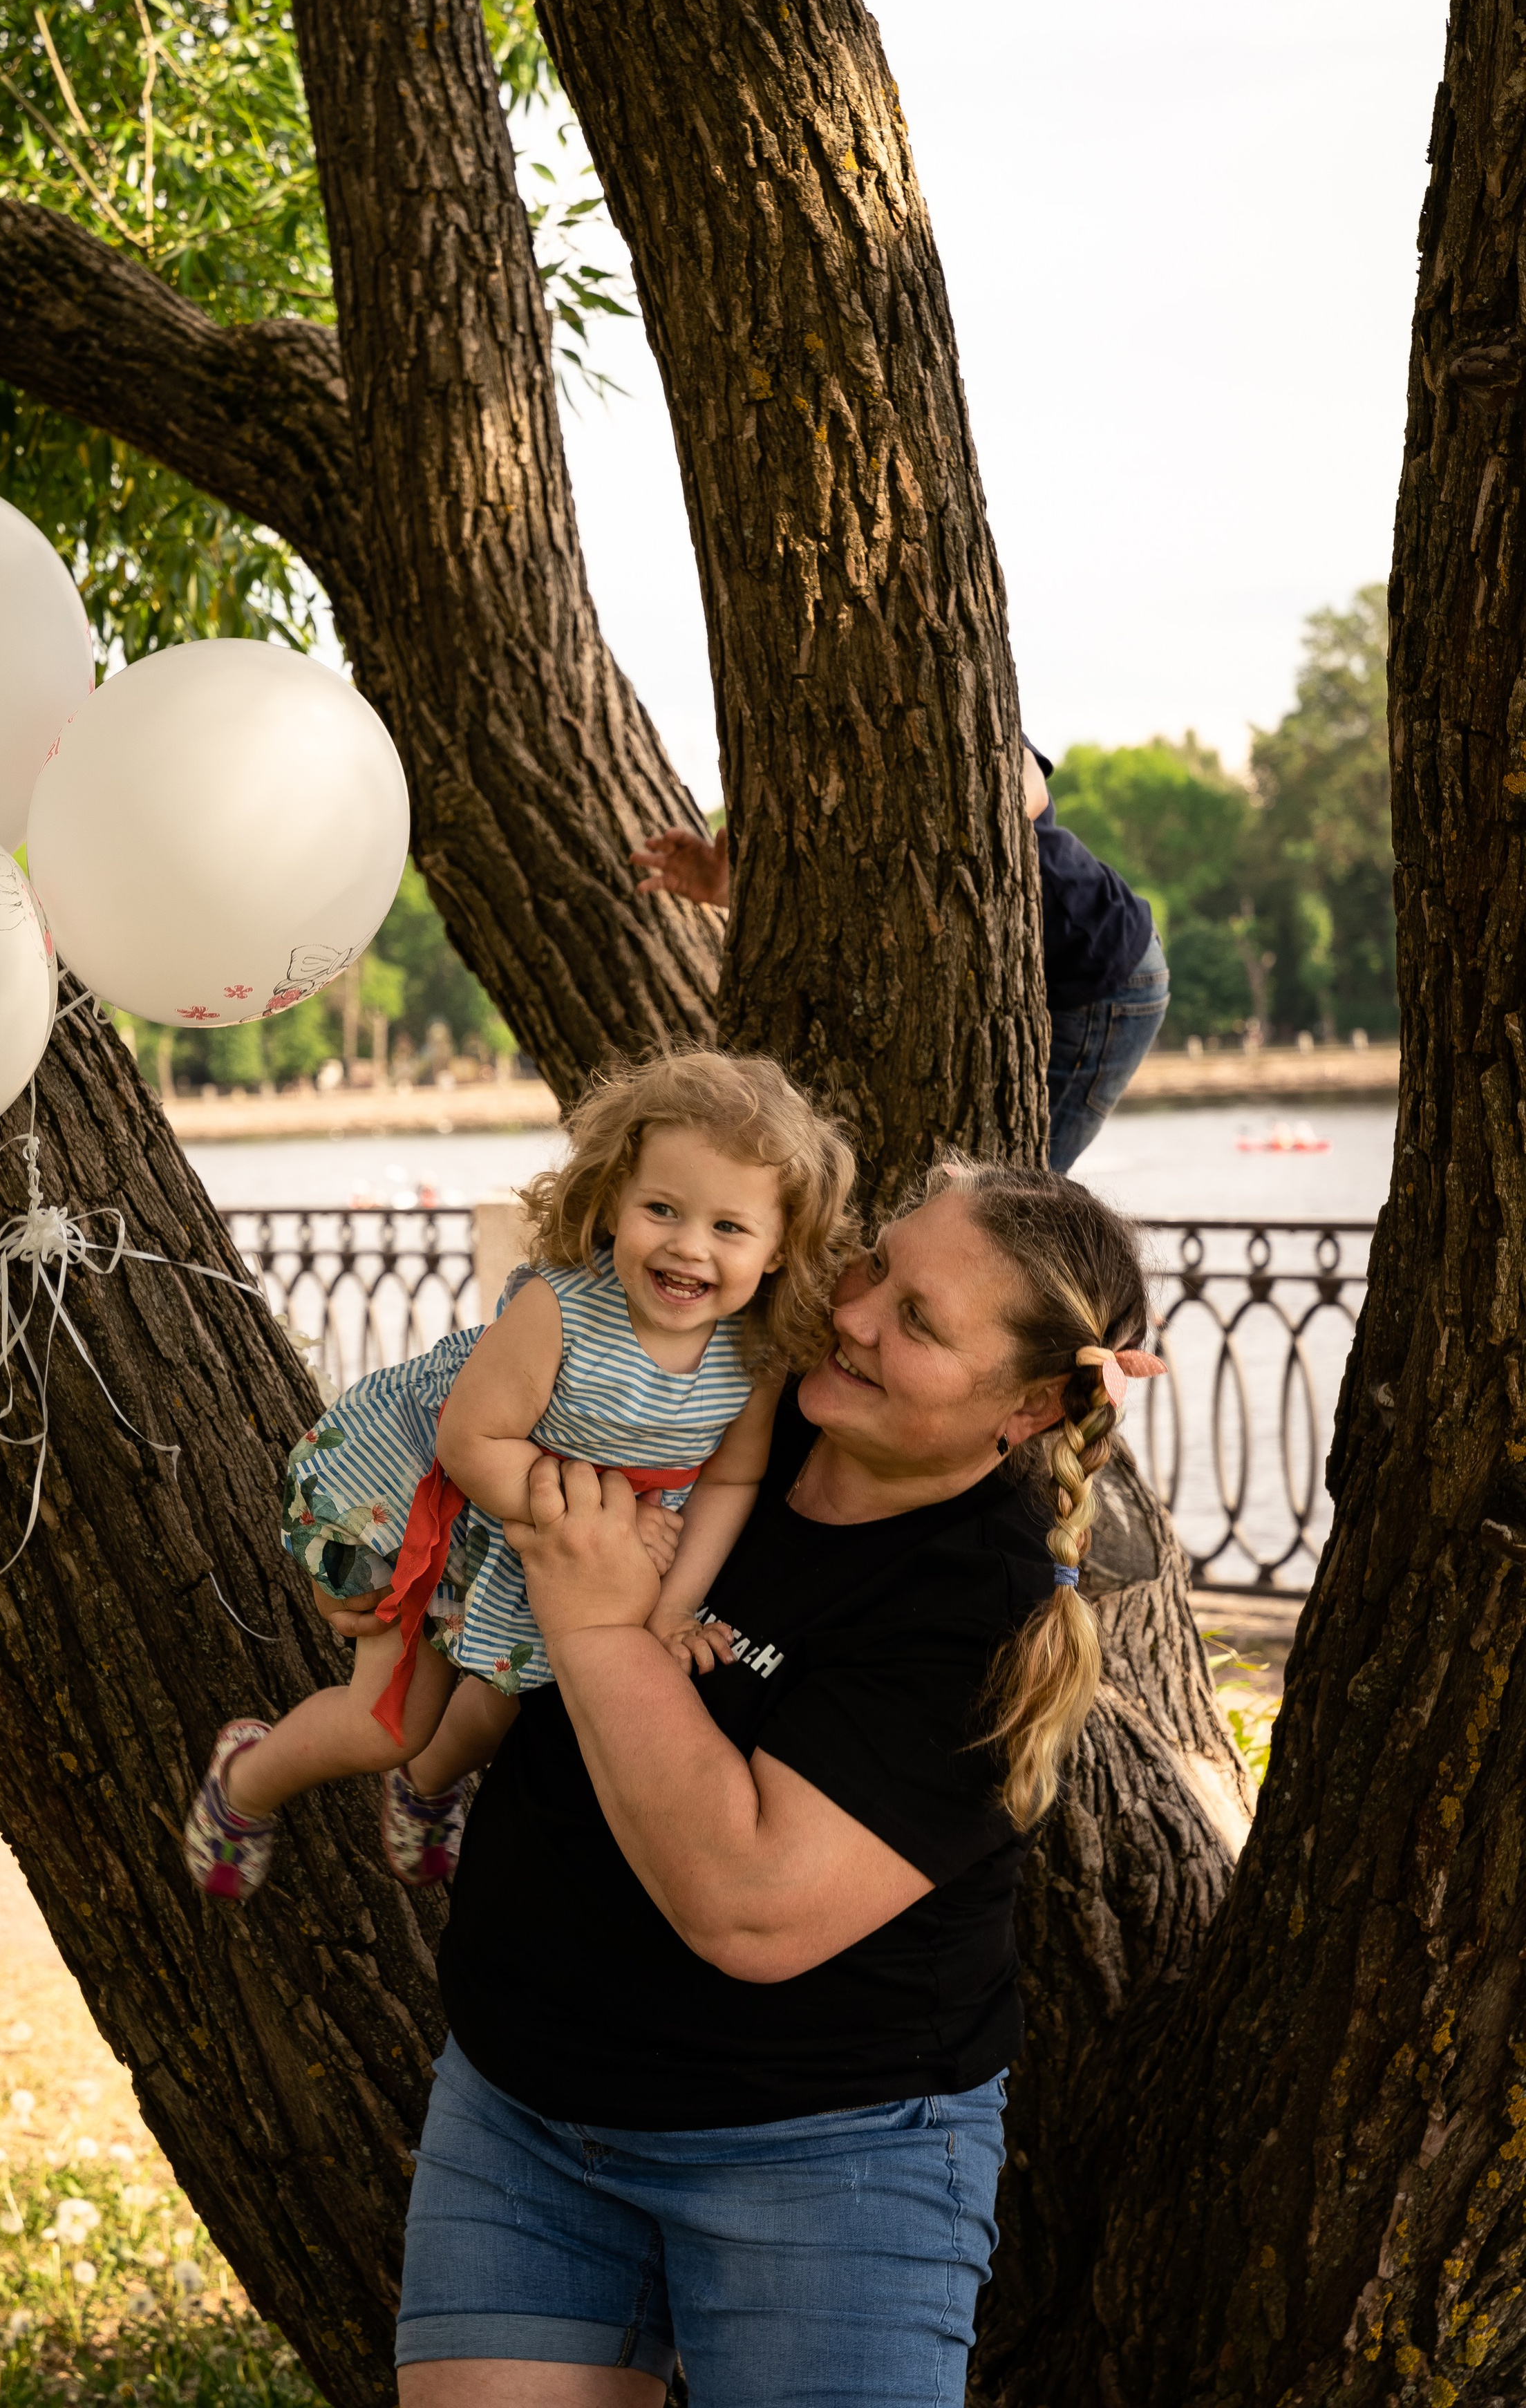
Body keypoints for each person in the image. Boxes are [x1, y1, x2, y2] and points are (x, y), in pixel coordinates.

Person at [347, 1149, 1156, 2405]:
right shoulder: (729, 1396)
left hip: (822, 2156)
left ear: (1035, 1406)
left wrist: (602, 1624)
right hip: (525, 2107)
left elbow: (752, 1907)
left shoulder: (983, 1602)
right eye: (878, 1264)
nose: (854, 1315)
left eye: (920, 1323)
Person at [181, 1048, 856, 1903]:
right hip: (439, 1502)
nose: (689, 1246)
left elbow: (728, 1483)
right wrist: (598, 1532)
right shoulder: (563, 1308)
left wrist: (673, 1606)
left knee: (505, 1704)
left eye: (729, 1228)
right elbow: (473, 1440)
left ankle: (427, 1786)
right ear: (612, 1201)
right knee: (388, 1721)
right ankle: (249, 1780)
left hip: (560, 1542)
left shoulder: (755, 1354)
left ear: (778, 1248)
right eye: (662, 1209)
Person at [630, 737, 1169, 1173]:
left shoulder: (936, 708)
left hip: (1103, 975)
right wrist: (736, 885)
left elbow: (1026, 783)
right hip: (1027, 983)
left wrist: (977, 814)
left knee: (1015, 1191)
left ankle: (1086, 1304)